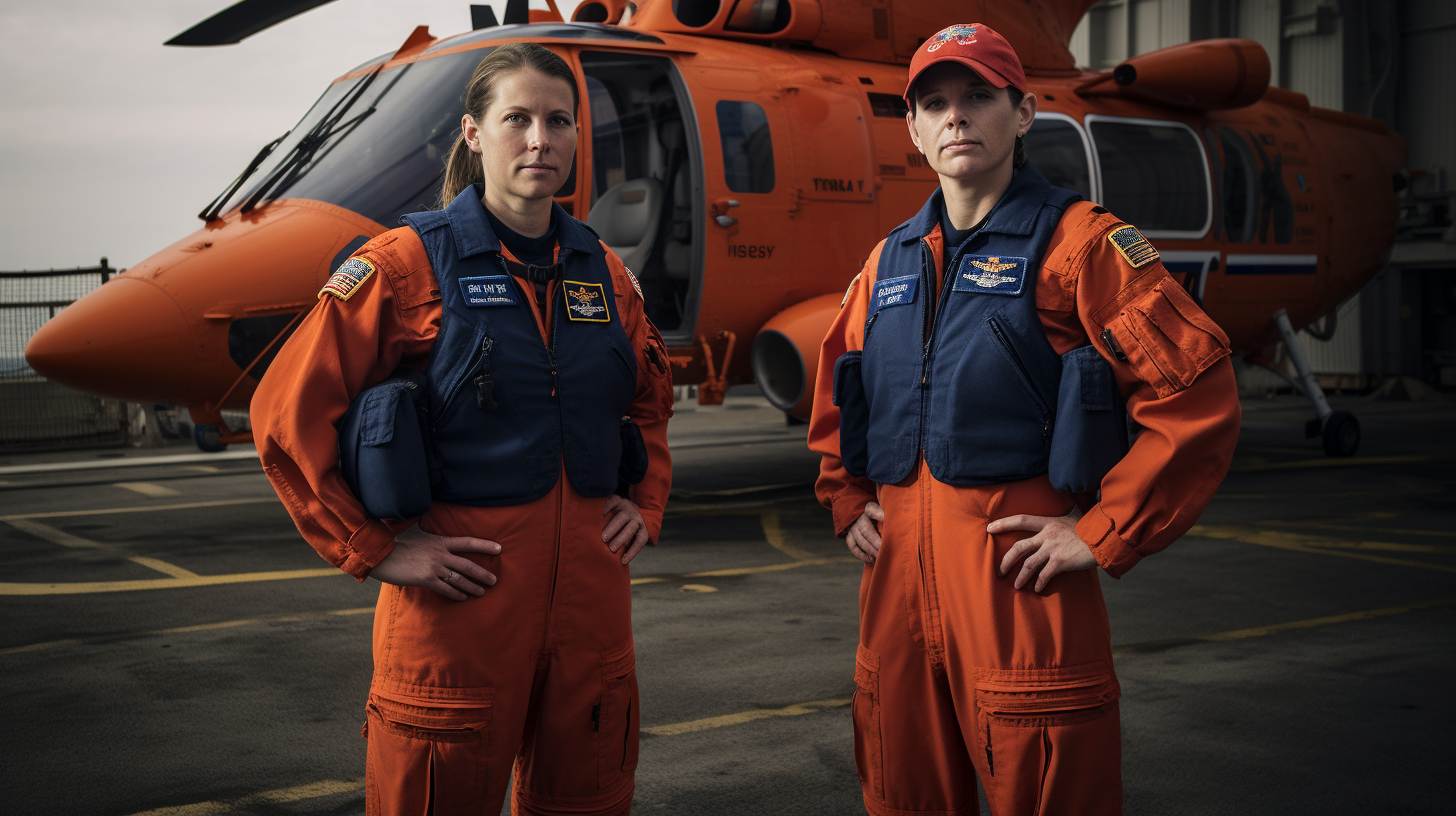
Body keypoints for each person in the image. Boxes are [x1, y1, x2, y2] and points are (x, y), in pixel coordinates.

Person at [808, 23, 1241, 816]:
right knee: (901, 788)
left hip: (1017, 583)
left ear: (1025, 111)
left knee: (1050, 786)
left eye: (978, 97)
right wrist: (845, 497)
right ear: (912, 129)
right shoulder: (889, 261)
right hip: (896, 587)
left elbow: (1196, 393)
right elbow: (843, 388)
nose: (956, 118)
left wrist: (1101, 528)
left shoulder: (1085, 247)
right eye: (935, 103)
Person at [251, 43, 674, 816]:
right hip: (457, 618)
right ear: (475, 133)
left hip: (591, 613)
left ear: (578, 137)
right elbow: (285, 417)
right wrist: (376, 546)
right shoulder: (407, 265)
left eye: (558, 121)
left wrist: (642, 501)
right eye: (517, 119)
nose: (539, 140)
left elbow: (648, 396)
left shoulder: (606, 273)